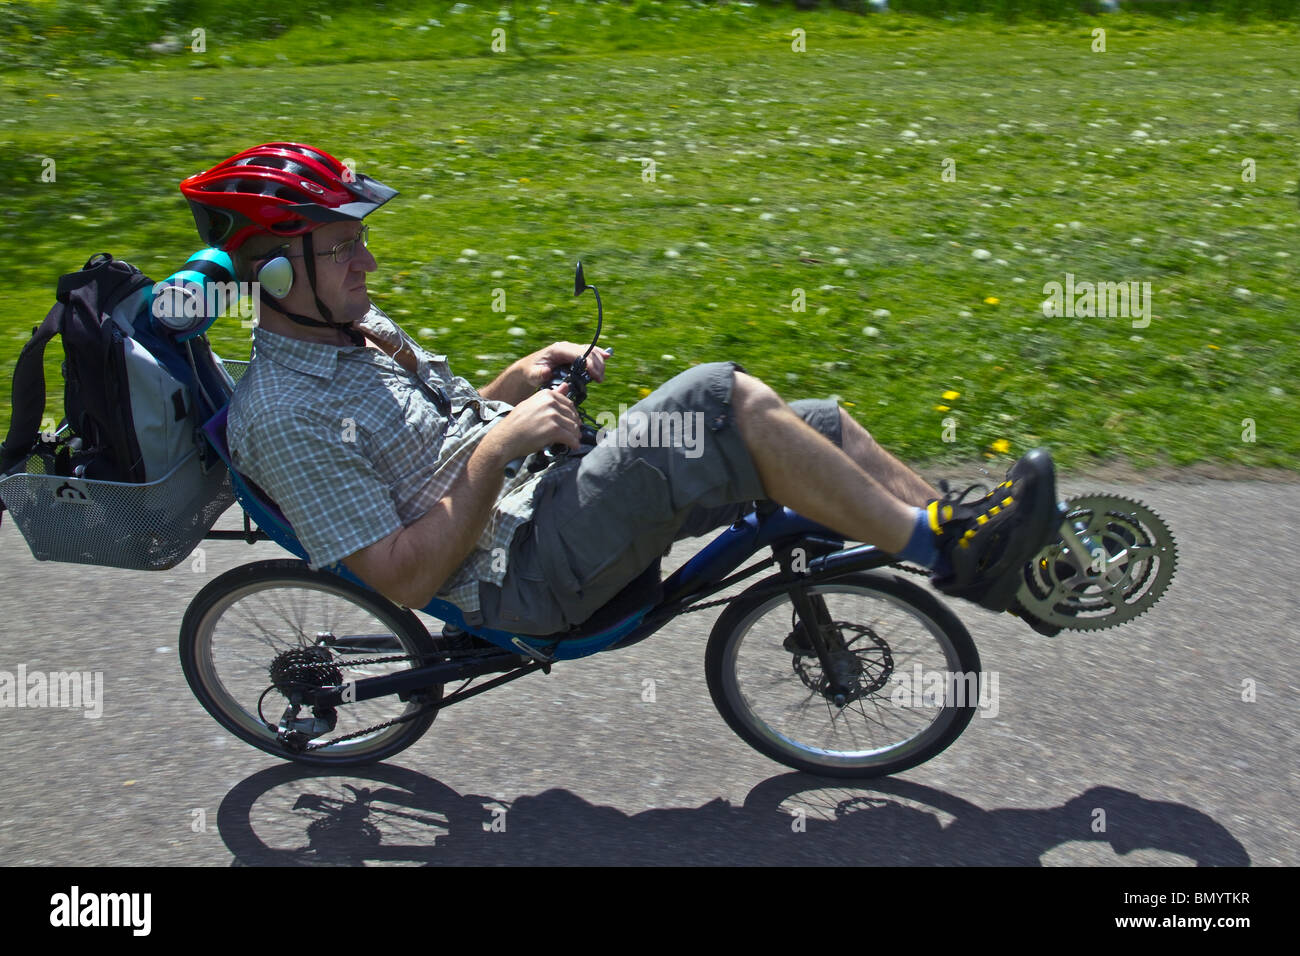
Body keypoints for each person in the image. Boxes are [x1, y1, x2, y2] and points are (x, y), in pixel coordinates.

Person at [180, 142, 1058, 635]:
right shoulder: (286, 417)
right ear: (277, 276)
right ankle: (946, 551)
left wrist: (518, 384)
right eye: (341, 248)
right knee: (715, 399)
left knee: (813, 424)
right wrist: (499, 445)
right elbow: (406, 581)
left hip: (547, 500)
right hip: (520, 576)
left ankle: (989, 553)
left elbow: (431, 437)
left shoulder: (359, 329)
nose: (367, 259)